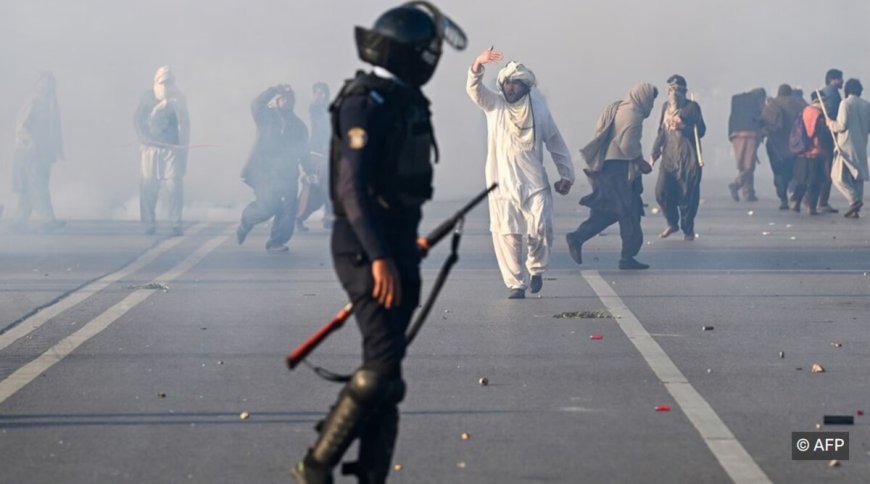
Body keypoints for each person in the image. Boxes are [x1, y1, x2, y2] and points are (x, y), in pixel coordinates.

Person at [290, 3, 466, 483]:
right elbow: (352, 190)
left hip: (397, 245)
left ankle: (370, 475)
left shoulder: (401, 98)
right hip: (363, 248)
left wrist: (405, 246)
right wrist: (382, 256)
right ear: (409, 52)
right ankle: (316, 465)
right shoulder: (365, 101)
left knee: (386, 378)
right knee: (383, 368)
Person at [466, 50, 575, 299]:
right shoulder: (494, 105)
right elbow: (474, 91)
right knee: (507, 234)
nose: (510, 87)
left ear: (525, 86)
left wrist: (566, 174)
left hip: (534, 182)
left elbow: (555, 141)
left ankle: (536, 269)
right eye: (506, 82)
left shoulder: (539, 110)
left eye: (515, 83)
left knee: (541, 227)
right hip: (502, 184)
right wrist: (477, 64)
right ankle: (516, 284)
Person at [566, 82, 657, 270]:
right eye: (652, 100)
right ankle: (625, 256)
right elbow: (628, 145)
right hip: (618, 170)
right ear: (644, 97)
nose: (652, 105)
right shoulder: (633, 115)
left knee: (610, 211)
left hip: (609, 168)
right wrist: (642, 163)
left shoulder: (620, 107)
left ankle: (580, 238)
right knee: (628, 211)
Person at [236, 84, 312, 253]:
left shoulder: (299, 125)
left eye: (289, 99)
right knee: (267, 208)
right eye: (282, 98)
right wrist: (272, 90)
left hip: (289, 174)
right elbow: (255, 104)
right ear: (277, 100)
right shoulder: (266, 116)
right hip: (265, 173)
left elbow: (304, 151)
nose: (286, 101)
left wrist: (310, 170)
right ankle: (246, 221)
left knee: (287, 209)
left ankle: (276, 242)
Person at [134, 66, 190, 236]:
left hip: (171, 149)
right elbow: (137, 120)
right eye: (163, 82)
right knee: (148, 186)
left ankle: (176, 222)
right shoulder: (147, 97)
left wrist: (182, 147)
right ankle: (148, 223)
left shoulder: (179, 98)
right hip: (150, 149)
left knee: (174, 186)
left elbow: (184, 124)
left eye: (169, 82)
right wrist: (142, 136)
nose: (166, 86)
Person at [651, 74, 705, 240]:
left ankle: (688, 229)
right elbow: (661, 131)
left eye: (677, 90)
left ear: (684, 92)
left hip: (688, 160)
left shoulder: (692, 107)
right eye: (671, 90)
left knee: (688, 196)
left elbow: (701, 131)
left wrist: (683, 126)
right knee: (661, 192)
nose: (673, 94)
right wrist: (654, 152)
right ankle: (672, 223)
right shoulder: (665, 107)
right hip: (669, 158)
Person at [12, 71, 65, 232]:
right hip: (30, 152)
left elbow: (55, 130)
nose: (46, 86)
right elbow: (21, 127)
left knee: (30, 187)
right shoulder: (33, 102)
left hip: (44, 153)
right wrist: (30, 142)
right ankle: (48, 219)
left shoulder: (50, 104)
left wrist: (58, 150)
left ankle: (18, 221)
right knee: (38, 184)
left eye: (50, 83)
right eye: (43, 82)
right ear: (37, 84)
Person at [828, 78, 870, 218]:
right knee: (857, 176)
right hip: (861, 145)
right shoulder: (866, 105)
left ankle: (853, 200)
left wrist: (830, 123)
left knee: (837, 176)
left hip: (845, 146)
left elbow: (842, 125)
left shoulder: (845, 103)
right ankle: (856, 209)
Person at [760, 84, 805, 209]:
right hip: (795, 145)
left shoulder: (771, 105)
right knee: (795, 172)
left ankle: (783, 199)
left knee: (778, 172)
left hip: (775, 146)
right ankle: (794, 196)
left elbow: (763, 123)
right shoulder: (799, 105)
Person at [297, 82, 334, 231]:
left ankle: (329, 217)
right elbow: (322, 127)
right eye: (319, 93)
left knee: (329, 188)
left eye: (324, 93)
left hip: (328, 155)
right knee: (313, 189)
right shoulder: (315, 109)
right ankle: (298, 216)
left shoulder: (328, 109)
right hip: (317, 155)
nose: (322, 96)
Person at [791, 91, 831, 215]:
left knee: (802, 180)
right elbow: (822, 134)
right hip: (816, 151)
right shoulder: (820, 115)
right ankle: (811, 207)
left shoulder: (804, 111)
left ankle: (796, 200)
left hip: (803, 152)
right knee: (815, 181)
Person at [727, 88, 765, 202]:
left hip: (735, 135)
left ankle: (748, 192)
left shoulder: (739, 102)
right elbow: (762, 115)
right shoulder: (757, 101)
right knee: (749, 165)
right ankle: (736, 184)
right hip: (750, 134)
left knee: (743, 164)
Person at [817, 69, 844, 213]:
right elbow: (833, 116)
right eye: (840, 79)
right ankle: (823, 202)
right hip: (828, 136)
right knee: (828, 169)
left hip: (820, 137)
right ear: (833, 79)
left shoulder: (823, 92)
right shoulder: (833, 94)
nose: (842, 82)